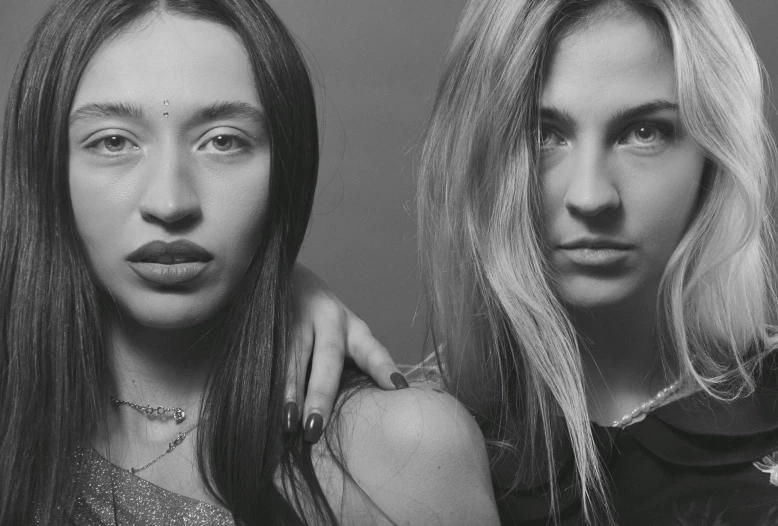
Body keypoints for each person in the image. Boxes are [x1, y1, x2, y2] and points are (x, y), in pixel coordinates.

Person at [0, 0, 499, 524]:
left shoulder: (401, 451)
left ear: (286, 171)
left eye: (222, 141)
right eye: (113, 142)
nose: (170, 204)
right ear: (46, 172)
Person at [293, 0, 778, 524]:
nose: (591, 197)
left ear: (715, 153)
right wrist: (268, 304)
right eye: (542, 135)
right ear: (479, 153)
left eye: (645, 132)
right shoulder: (412, 443)